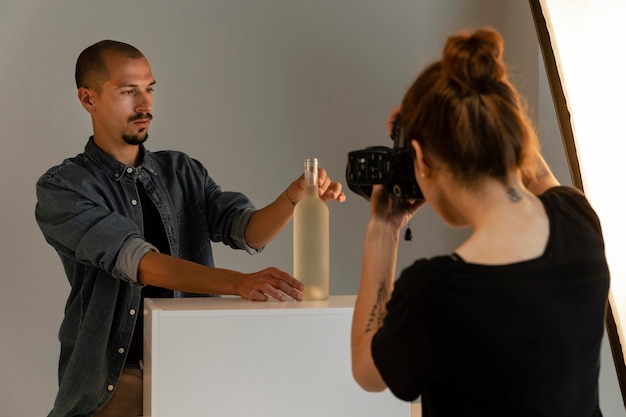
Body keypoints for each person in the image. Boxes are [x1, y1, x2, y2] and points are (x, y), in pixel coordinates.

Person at [35, 40, 346, 417]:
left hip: (195, 368)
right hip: (114, 382)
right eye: (128, 91)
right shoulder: (64, 187)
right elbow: (137, 260)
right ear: (88, 99)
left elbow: (248, 231)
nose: (145, 105)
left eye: (149, 89)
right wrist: (237, 283)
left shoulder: (183, 171)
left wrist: (293, 197)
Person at [350, 28, 609, 416]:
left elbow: (367, 371)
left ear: (419, 159)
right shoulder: (579, 220)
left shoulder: (435, 292)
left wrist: (383, 229)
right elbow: (537, 176)